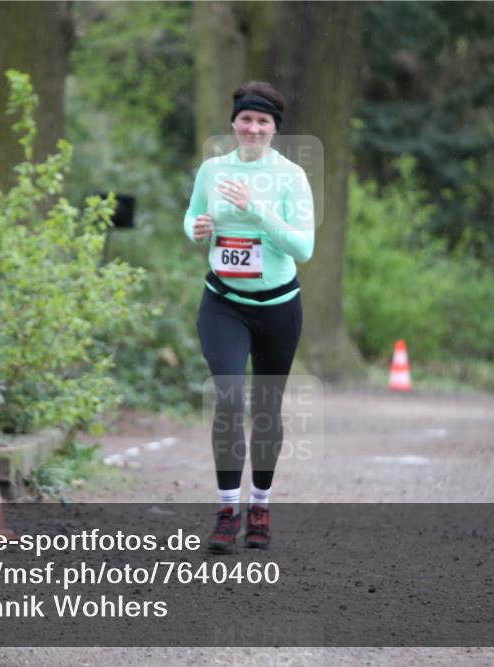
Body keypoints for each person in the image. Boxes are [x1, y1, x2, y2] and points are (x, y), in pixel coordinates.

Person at [183, 81, 315, 552]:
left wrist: (254, 210)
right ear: (234, 124)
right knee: (230, 398)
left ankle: (259, 505)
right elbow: (193, 217)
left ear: (274, 129)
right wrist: (197, 228)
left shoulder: (291, 176)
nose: (253, 128)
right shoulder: (213, 170)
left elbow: (303, 246)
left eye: (263, 121)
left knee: (265, 410)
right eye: (246, 119)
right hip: (222, 303)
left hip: (279, 307)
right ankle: (226, 509)